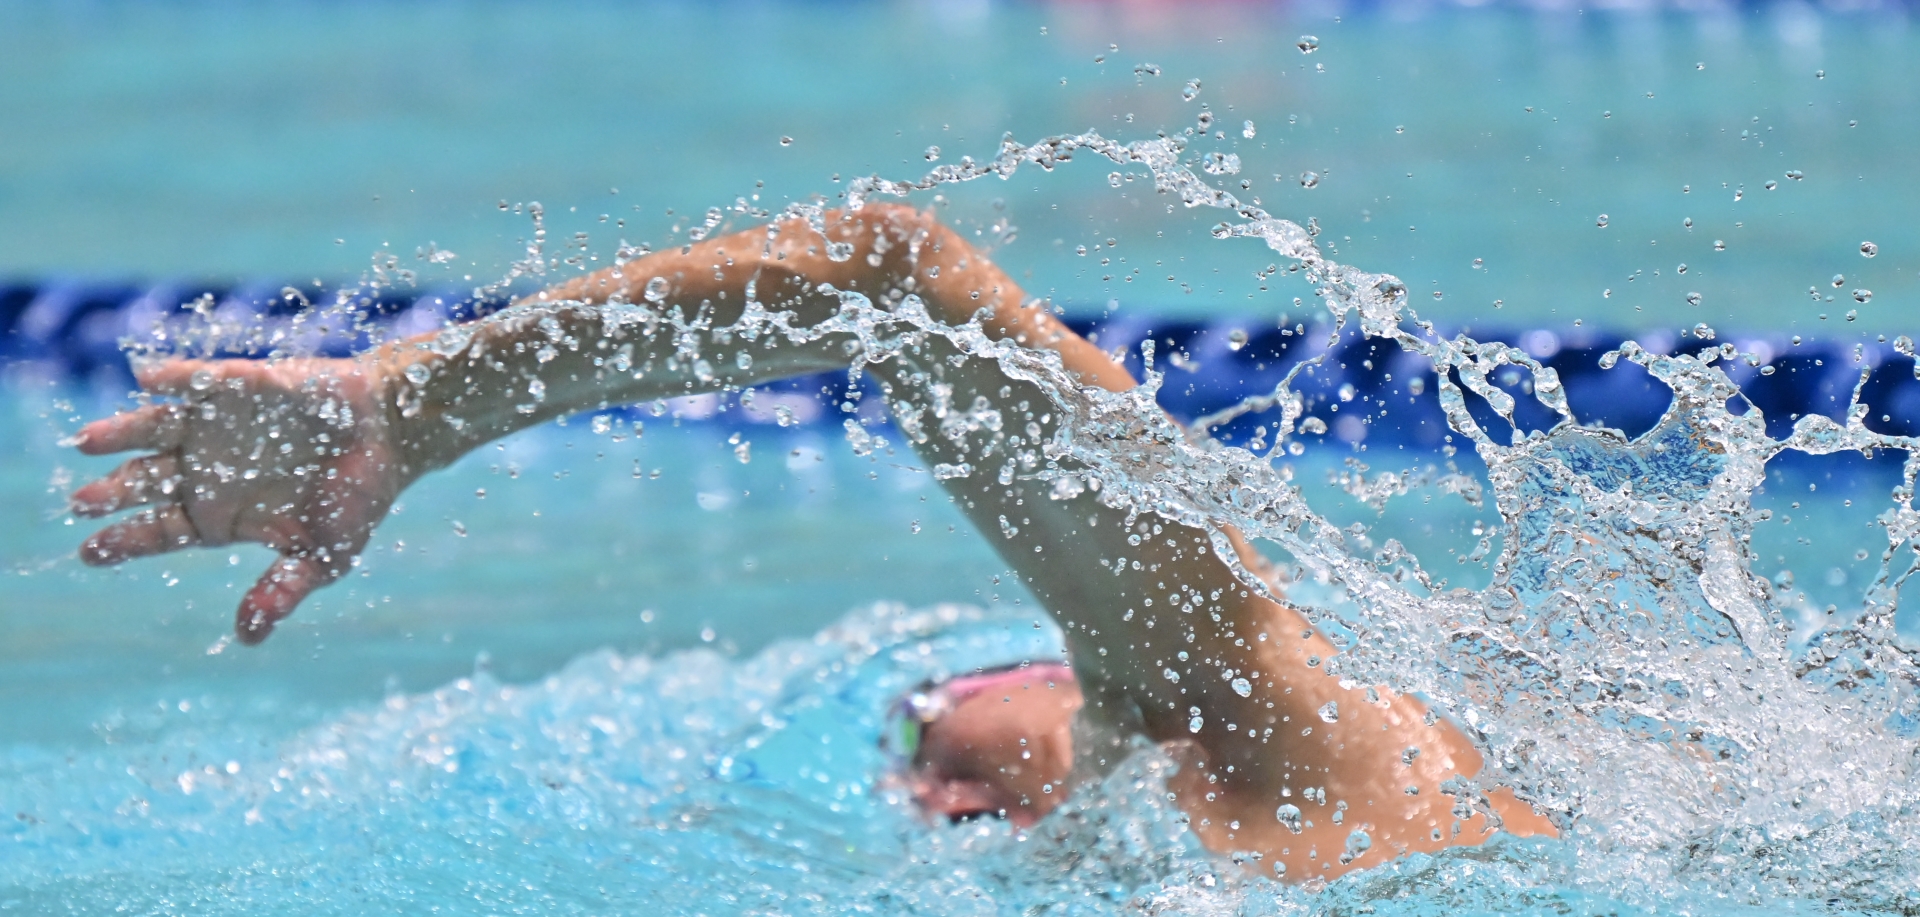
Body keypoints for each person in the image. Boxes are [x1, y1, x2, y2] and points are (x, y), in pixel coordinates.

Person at [67, 203, 1553, 879]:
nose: (929, 789)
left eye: (936, 738)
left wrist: (417, 406)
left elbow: (893, 275)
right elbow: (894, 278)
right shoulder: (1267, 741)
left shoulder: (1238, 729)